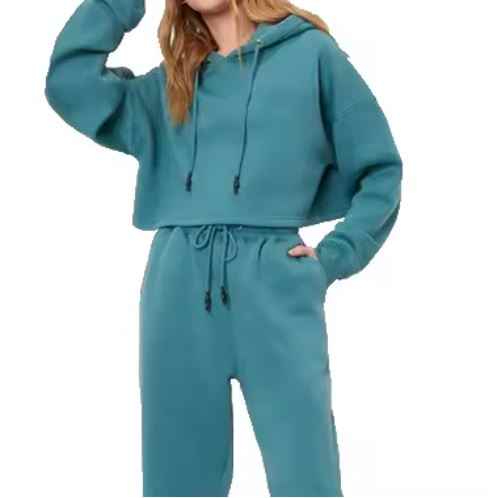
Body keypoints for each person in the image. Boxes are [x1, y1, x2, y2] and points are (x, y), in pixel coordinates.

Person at [45, 0, 402, 495]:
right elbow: (69, 84)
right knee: (177, 483)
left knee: (307, 478)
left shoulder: (312, 55)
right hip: (177, 286)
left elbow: (381, 171)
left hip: (276, 282)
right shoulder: (172, 84)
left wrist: (334, 257)